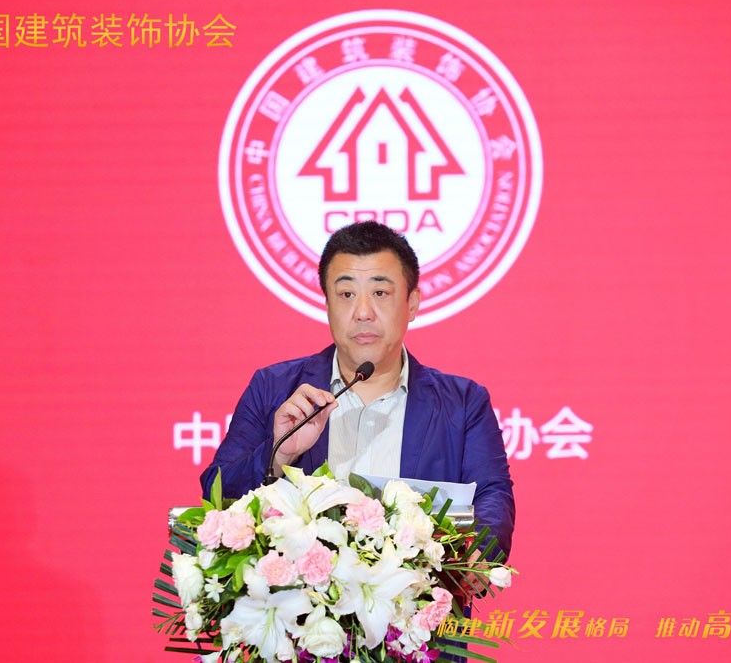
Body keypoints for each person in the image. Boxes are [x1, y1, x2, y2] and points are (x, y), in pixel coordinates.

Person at [200, 222, 515, 557]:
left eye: (380, 293)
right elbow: (217, 495)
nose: (363, 313)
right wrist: (278, 456)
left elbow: (492, 498)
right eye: (346, 294)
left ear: (412, 304)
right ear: (327, 304)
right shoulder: (273, 388)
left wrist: (476, 555)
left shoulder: (463, 403)